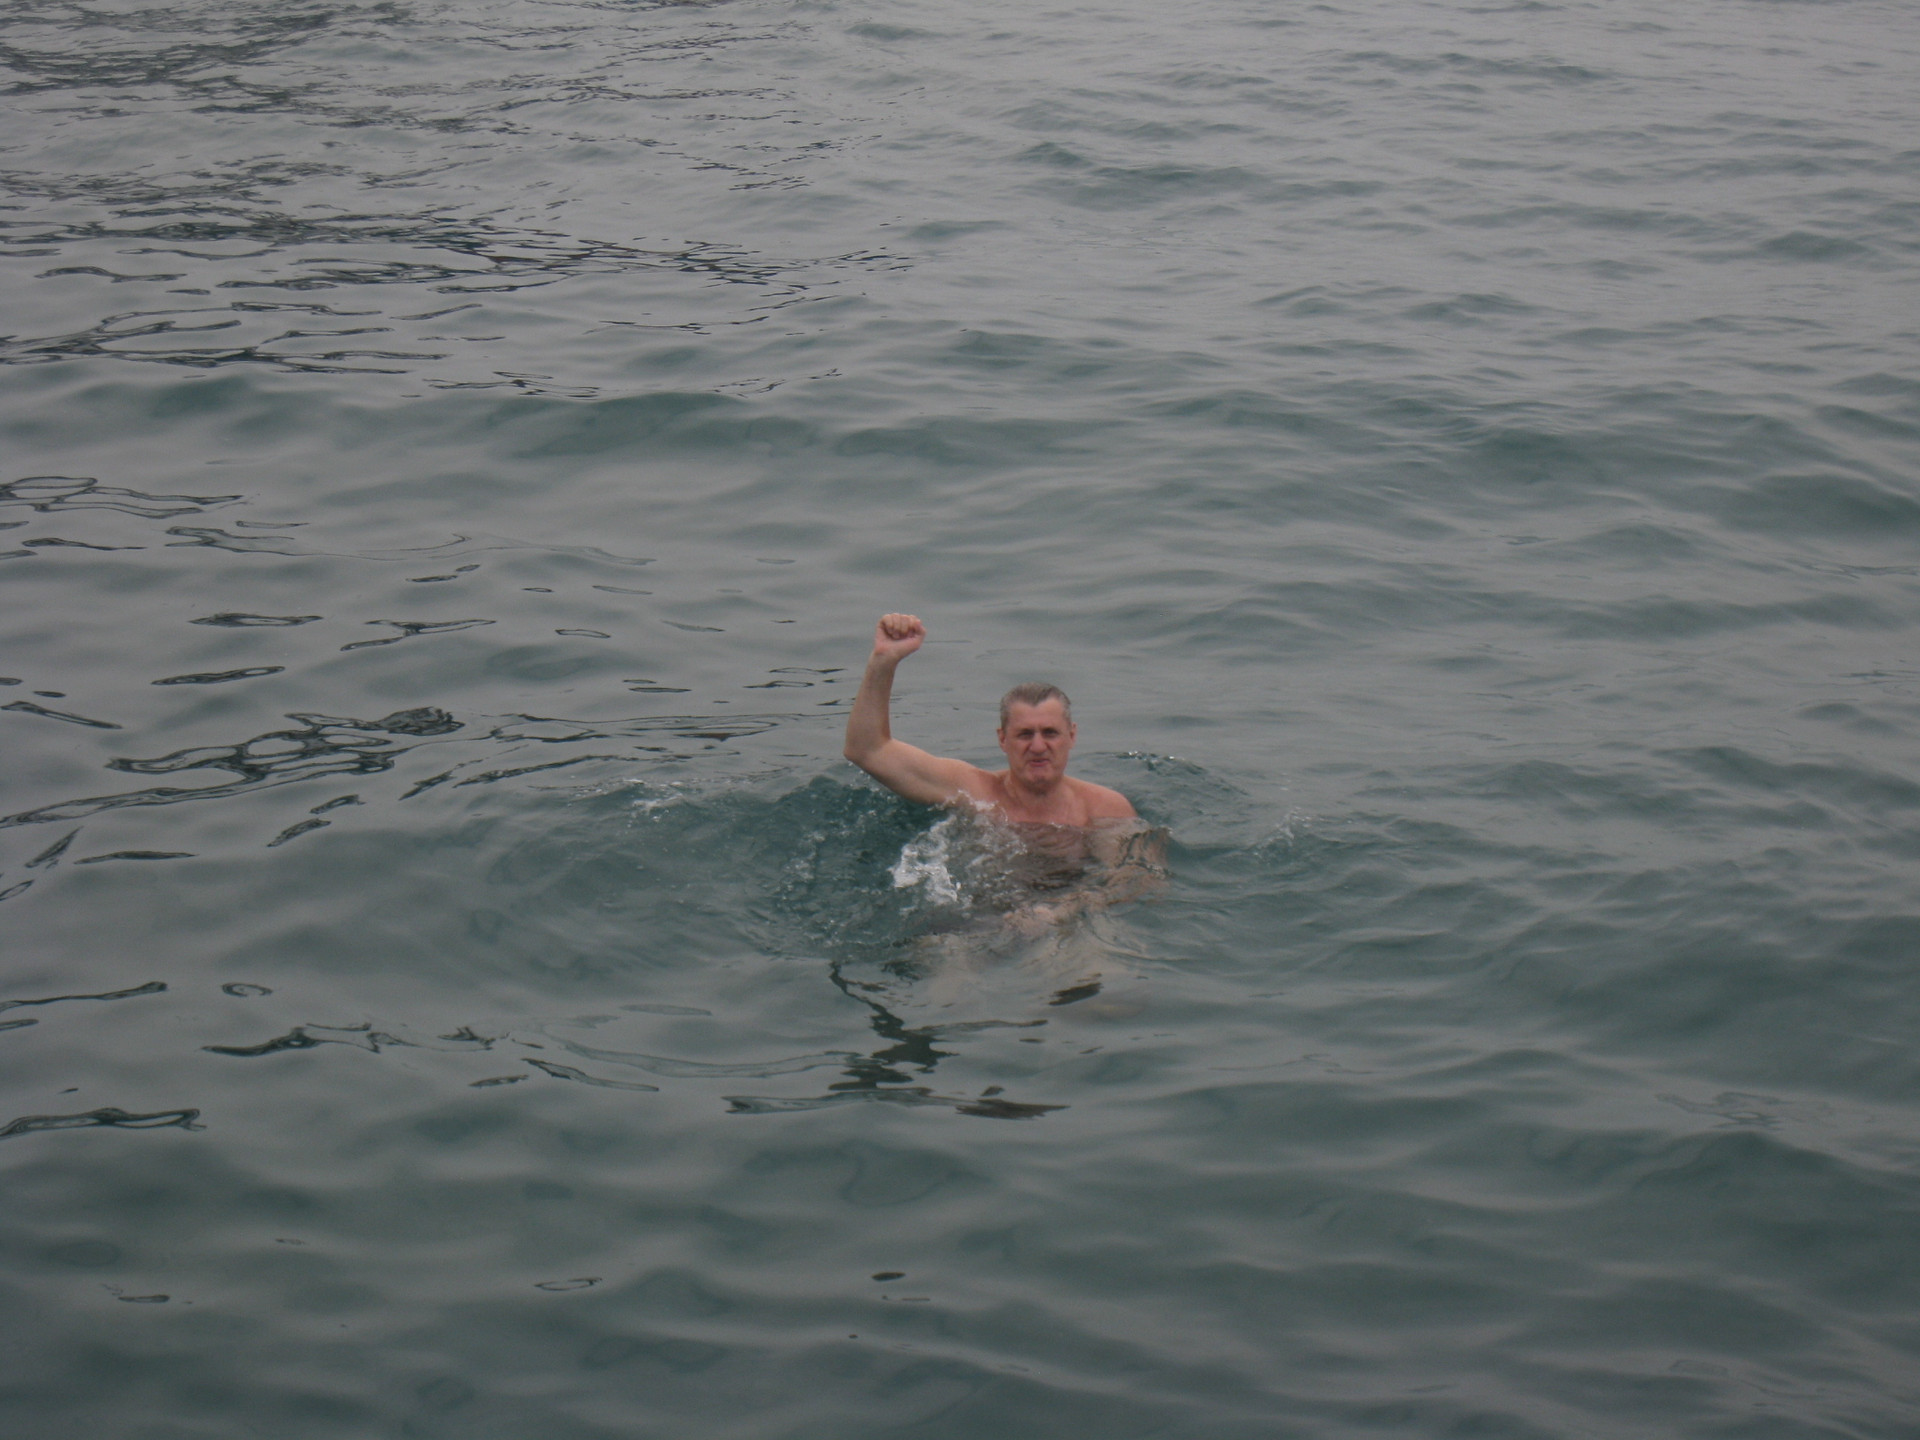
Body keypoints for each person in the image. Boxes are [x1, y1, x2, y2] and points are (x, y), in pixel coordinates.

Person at [844, 612, 1159, 934]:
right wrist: (883, 660)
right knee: (941, 951)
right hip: (981, 919)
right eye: (1025, 734)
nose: (1038, 746)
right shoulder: (973, 791)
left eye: (1050, 733)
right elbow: (867, 750)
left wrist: (1064, 910)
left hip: (1070, 920)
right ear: (1002, 739)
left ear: (1072, 736)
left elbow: (1139, 881)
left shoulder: (1105, 809)